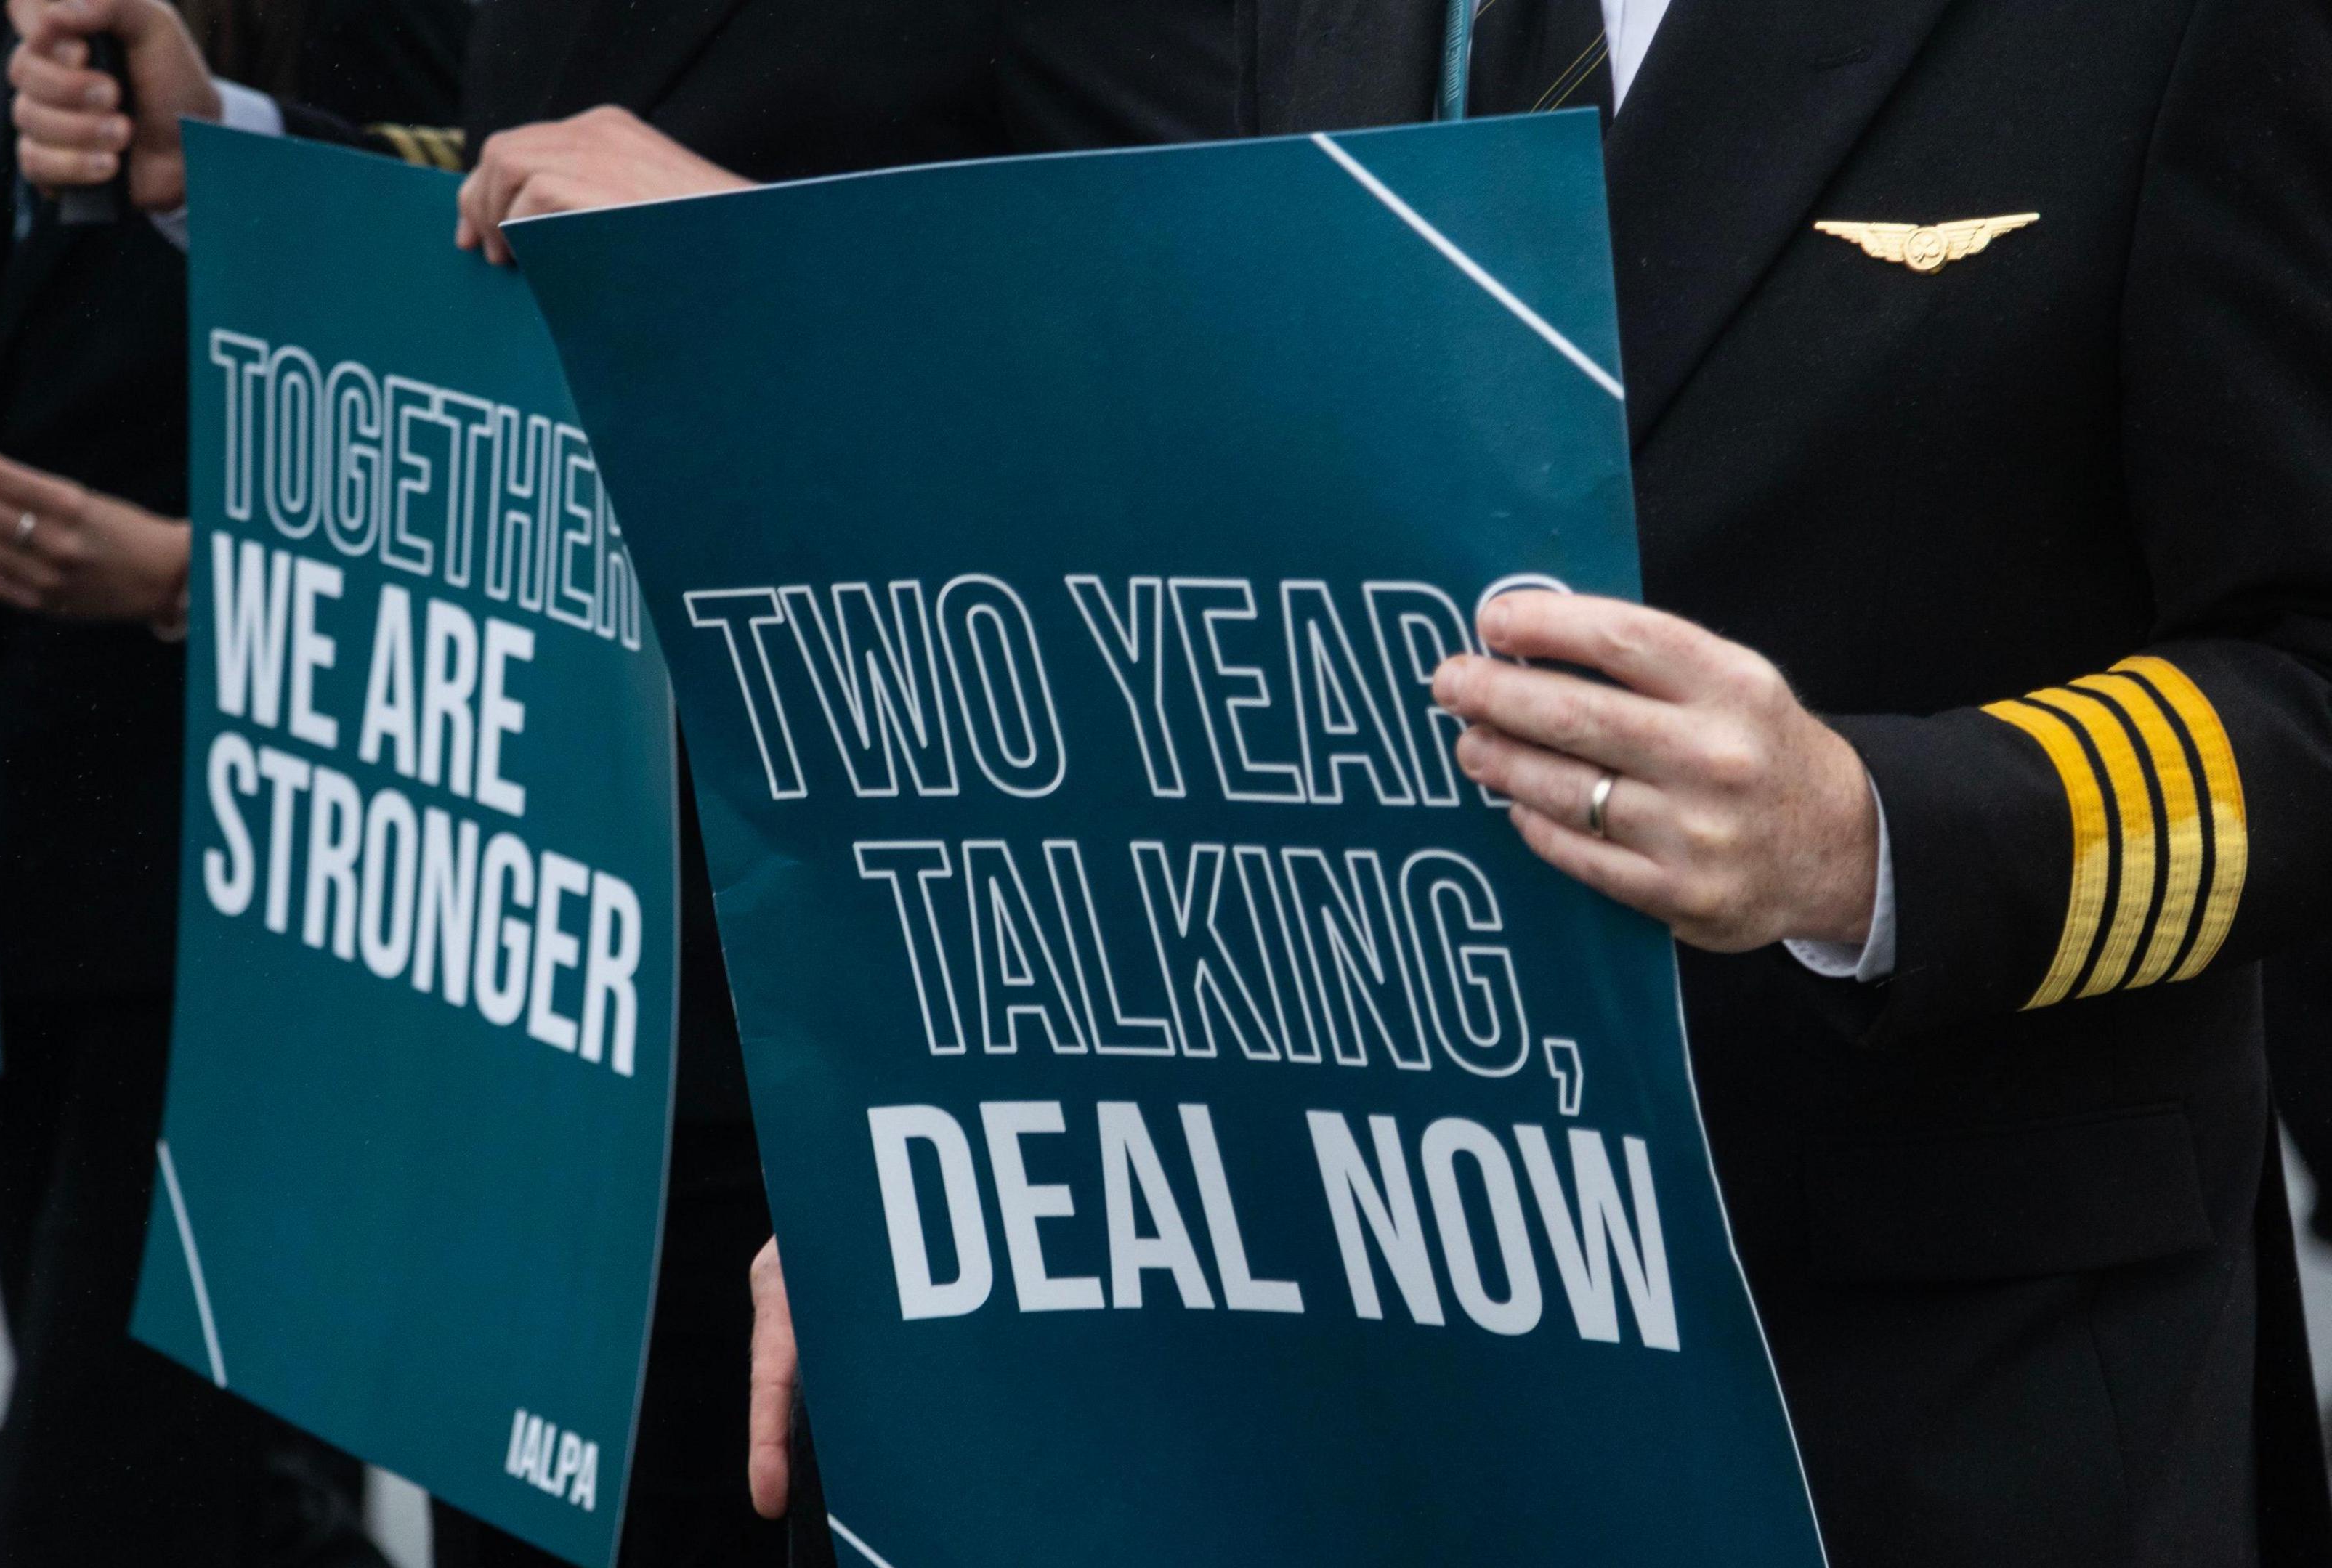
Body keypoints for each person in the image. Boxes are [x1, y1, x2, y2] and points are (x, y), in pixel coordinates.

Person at [729, 1, 2332, 1566]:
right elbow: (1219, 628)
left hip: (1932, 1383)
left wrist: (1873, 836)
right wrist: (959, 1171)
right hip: (1383, 1347)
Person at [0, 2, 1233, 1564]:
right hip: (531, 1002)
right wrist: (228, 148)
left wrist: (747, 246)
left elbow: (1225, 317)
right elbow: (507, 207)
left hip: (847, 1022)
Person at [0, 2, 466, 1561]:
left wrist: (193, 581)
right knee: (226, 1510)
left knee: (94, 1511)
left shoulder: (329, 47)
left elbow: (479, 349)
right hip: (27, 855)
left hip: (262, 874)